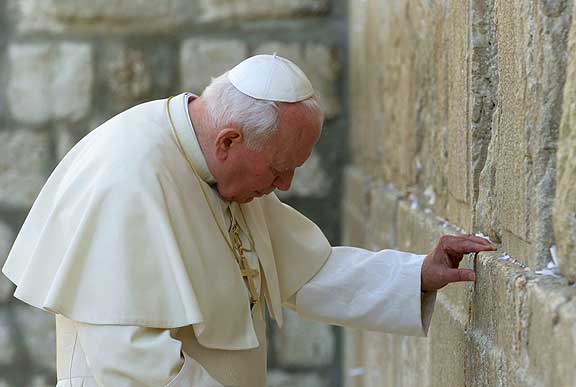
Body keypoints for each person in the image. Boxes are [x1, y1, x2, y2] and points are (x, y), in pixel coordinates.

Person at [1, 54, 495, 387]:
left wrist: (416, 276)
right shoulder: (127, 178)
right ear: (229, 141)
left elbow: (306, 271)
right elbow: (128, 358)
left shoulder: (224, 169)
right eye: (280, 170)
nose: (284, 187)